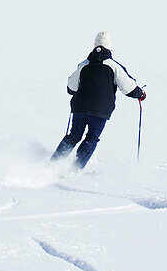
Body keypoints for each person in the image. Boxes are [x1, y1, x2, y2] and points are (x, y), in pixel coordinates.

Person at [52, 31, 145, 169]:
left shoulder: (84, 64)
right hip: (99, 110)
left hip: (79, 108)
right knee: (91, 138)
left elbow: (71, 87)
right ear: (109, 48)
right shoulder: (113, 65)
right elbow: (128, 86)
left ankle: (53, 164)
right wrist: (140, 94)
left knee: (73, 135)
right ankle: (74, 169)